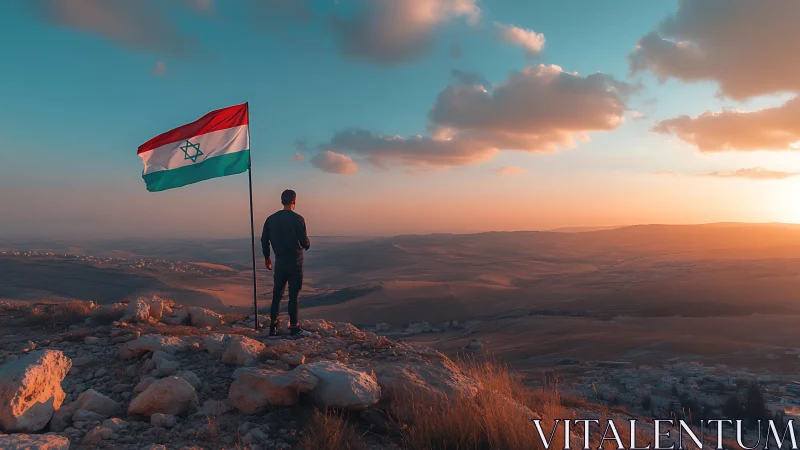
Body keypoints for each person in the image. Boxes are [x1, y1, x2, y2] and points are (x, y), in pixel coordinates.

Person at [261, 189, 311, 337]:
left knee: (277, 293)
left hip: (279, 260)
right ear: (294, 201)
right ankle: (294, 327)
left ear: (281, 201)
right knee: (293, 294)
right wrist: (307, 244)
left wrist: (267, 257)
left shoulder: (271, 219)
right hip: (295, 260)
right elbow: (304, 241)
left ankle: (273, 326)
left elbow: (264, 240)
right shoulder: (298, 219)